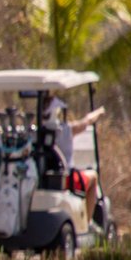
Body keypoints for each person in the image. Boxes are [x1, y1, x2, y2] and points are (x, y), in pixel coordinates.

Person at [44, 94, 106, 222]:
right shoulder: (67, 129)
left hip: (44, 179)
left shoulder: (36, 131)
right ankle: (88, 221)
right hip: (66, 179)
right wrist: (99, 112)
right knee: (93, 176)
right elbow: (87, 120)